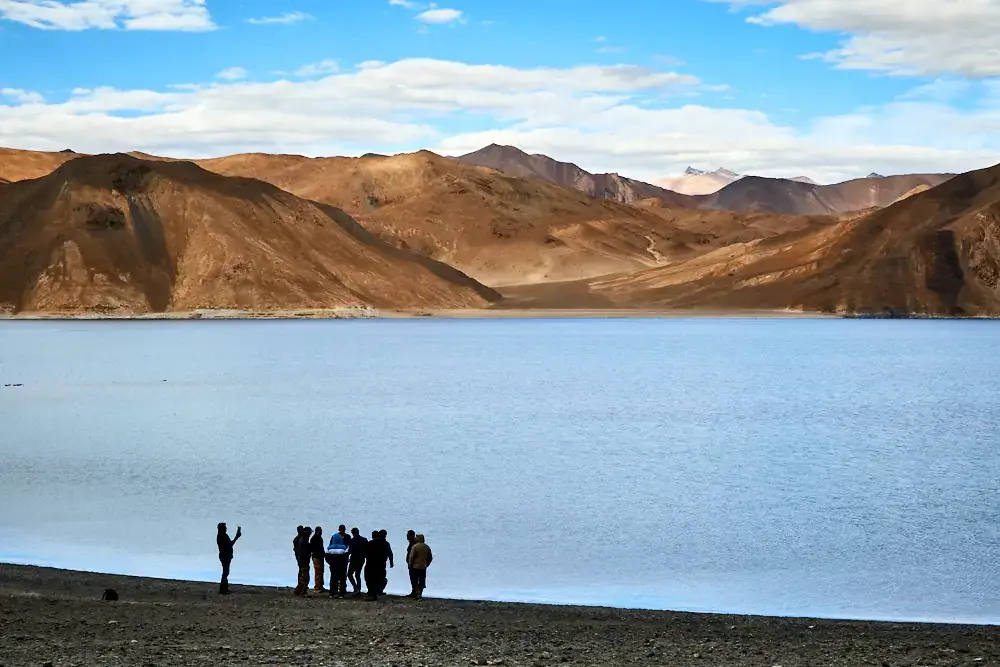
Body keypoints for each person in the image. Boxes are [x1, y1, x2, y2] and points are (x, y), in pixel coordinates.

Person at [216, 522, 241, 595]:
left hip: (225, 555)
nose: (226, 528)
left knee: (226, 572)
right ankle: (223, 589)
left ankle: (224, 588)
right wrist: (237, 537)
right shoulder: (222, 536)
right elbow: (230, 545)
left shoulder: (222, 535)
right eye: (224, 527)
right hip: (225, 555)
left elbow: (229, 545)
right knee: (225, 572)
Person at [325, 525, 350, 598]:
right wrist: (344, 562)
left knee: (333, 578)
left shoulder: (329, 548)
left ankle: (332, 593)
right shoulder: (343, 548)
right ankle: (341, 593)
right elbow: (346, 555)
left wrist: (331, 563)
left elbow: (326, 556)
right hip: (342, 565)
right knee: (342, 578)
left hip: (333, 565)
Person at [406, 534, 432, 600]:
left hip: (415, 566)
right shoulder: (427, 547)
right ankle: (420, 594)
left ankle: (416, 593)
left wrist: (410, 565)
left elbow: (411, 557)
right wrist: (427, 564)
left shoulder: (415, 546)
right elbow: (430, 557)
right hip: (423, 567)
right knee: (422, 581)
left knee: (414, 581)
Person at [365, 530, 387, 601]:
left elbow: (366, 553)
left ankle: (371, 593)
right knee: (378, 579)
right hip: (380, 564)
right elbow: (385, 554)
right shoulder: (383, 544)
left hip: (370, 564)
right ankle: (376, 593)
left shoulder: (370, 543)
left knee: (369, 579)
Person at [347, 527, 368, 595]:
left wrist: (346, 556)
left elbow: (350, 550)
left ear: (352, 533)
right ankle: (358, 589)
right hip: (361, 559)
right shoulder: (364, 540)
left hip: (354, 559)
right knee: (357, 575)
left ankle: (355, 588)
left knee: (350, 574)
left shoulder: (352, 540)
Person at [294, 526, 313, 595]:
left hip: (301, 560)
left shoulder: (301, 539)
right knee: (305, 577)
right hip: (304, 561)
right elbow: (304, 552)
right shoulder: (304, 540)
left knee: (302, 575)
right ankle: (303, 591)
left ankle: (299, 590)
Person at [311, 526, 326, 593]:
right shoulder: (314, 539)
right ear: (317, 531)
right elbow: (313, 549)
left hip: (320, 557)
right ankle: (317, 587)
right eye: (320, 531)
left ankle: (320, 586)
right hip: (316, 557)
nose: (321, 532)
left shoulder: (320, 538)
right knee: (318, 573)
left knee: (321, 572)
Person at [379, 529, 394, 595]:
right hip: (382, 562)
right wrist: (391, 562)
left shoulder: (375, 542)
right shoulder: (386, 543)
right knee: (382, 577)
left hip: (375, 562)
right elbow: (390, 553)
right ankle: (380, 590)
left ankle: (376, 590)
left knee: (377, 576)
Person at [405, 530, 417, 598]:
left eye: (408, 535)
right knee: (413, 578)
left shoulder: (413, 543)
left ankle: (415, 592)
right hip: (411, 564)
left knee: (414, 578)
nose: (407, 536)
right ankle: (414, 591)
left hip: (413, 564)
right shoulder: (412, 543)